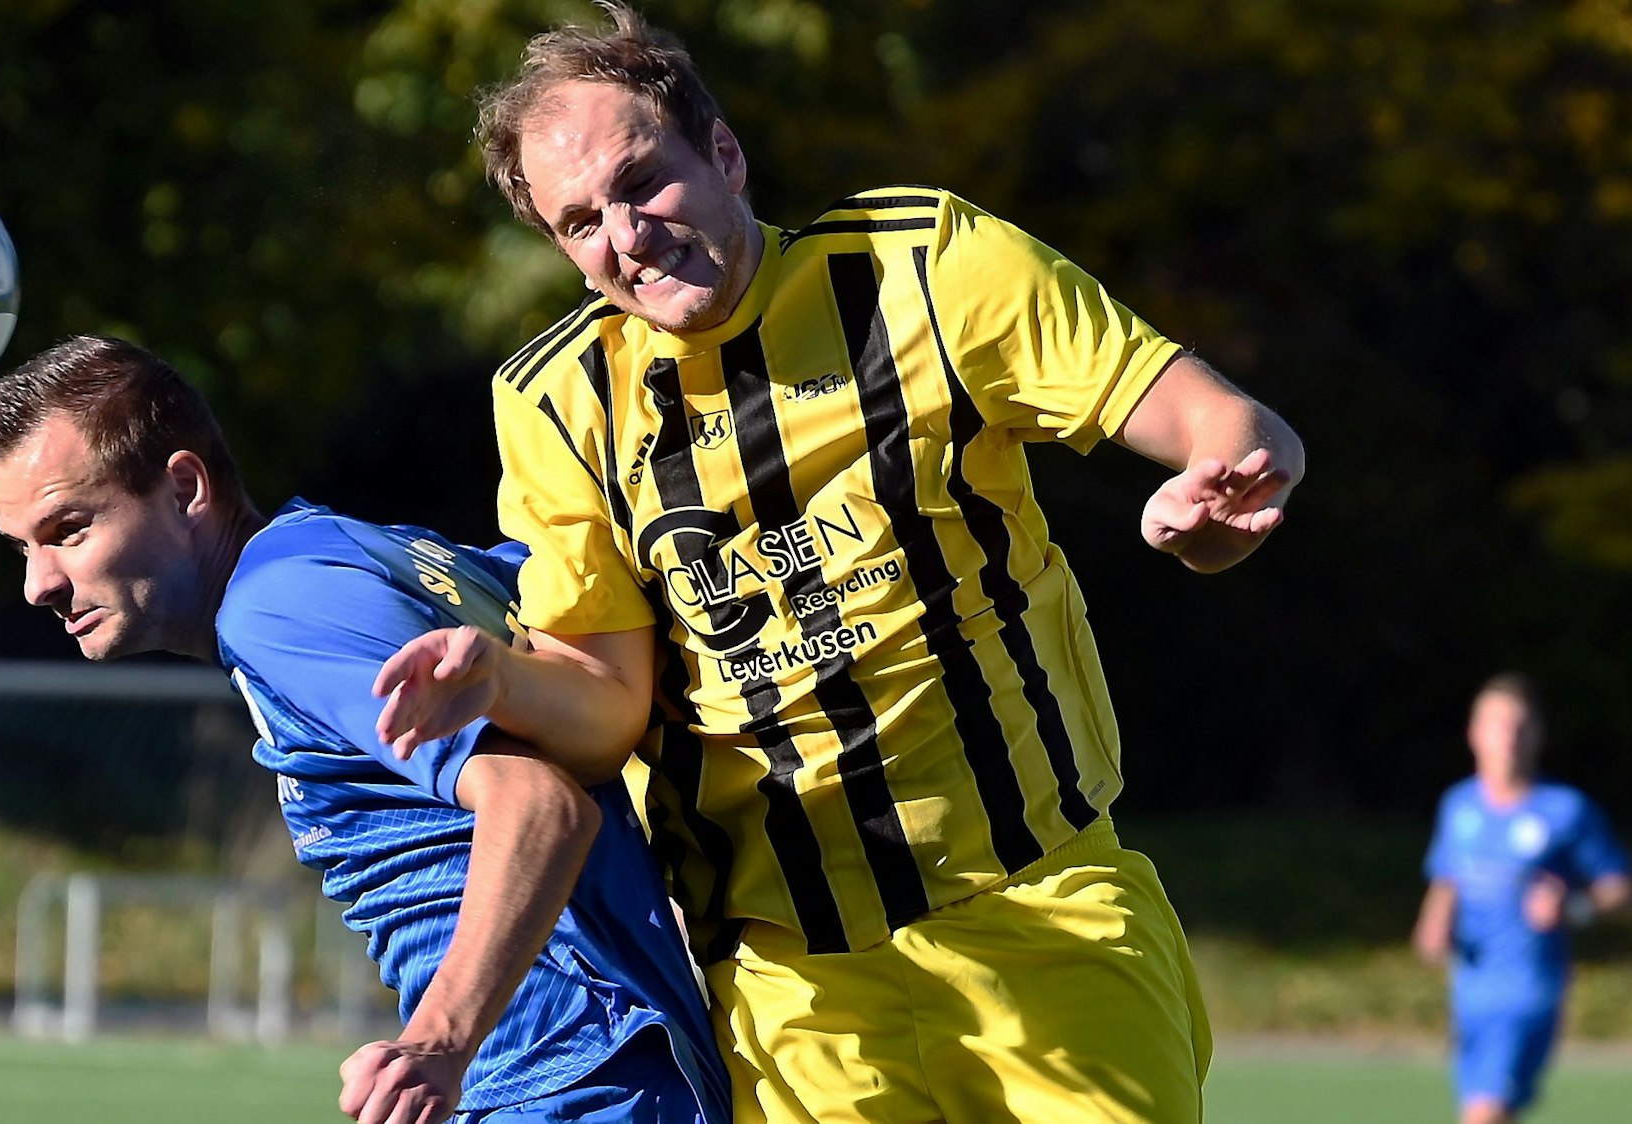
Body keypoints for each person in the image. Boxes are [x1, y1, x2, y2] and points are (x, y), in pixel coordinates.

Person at [372, 4, 1306, 1122]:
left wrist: (1216, 499)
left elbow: (1229, 427)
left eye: (644, 182)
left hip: (1040, 917)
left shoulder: (921, 268)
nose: (628, 235)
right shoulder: (557, 403)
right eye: (581, 222)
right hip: (794, 997)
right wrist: (501, 682)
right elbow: (607, 702)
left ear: (724, 154)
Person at [0, 334, 728, 1124]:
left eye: (69, 529)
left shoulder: (277, 610)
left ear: (186, 487)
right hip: (614, 1065)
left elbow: (538, 804)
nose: (37, 585)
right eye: (22, 547)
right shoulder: (349, 551)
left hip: (564, 1076)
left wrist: (438, 1041)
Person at [1413, 673, 1630, 1124]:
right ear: (1474, 732)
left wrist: (1575, 907)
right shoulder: (1459, 805)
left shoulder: (1566, 810)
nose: (1508, 737)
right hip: (1469, 992)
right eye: (1497, 724)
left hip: (1528, 993)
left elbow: (1619, 890)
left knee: (1483, 1115)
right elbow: (1447, 878)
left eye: (1520, 726)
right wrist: (1433, 926)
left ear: (1538, 734)